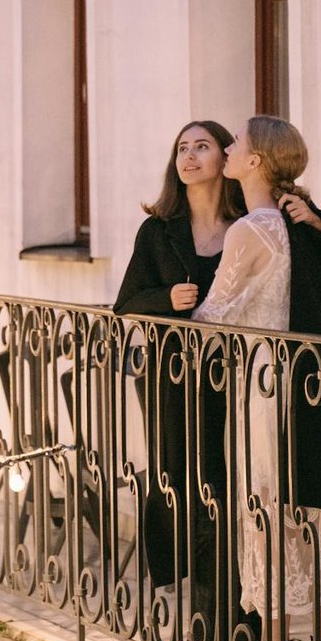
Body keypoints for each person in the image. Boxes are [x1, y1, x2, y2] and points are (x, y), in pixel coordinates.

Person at [191, 115, 321, 641]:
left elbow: (214, 316)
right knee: (301, 508)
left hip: (263, 387)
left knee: (266, 505)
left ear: (257, 161)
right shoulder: (290, 227)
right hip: (297, 382)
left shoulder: (249, 230)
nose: (227, 148)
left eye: (236, 143)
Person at [113, 121, 242, 609]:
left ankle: (228, 598)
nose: (189, 157)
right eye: (182, 149)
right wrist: (167, 299)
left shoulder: (250, 223)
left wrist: (308, 213)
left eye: (201, 147)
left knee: (224, 479)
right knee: (178, 476)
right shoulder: (158, 231)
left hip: (232, 375)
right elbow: (125, 304)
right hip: (169, 375)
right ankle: (194, 591)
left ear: (224, 159)